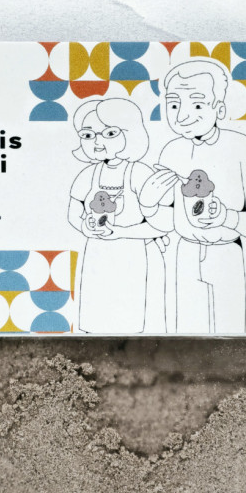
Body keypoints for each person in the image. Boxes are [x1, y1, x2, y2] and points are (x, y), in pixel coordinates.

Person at [140, 59, 246, 333]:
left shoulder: (244, 148)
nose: (182, 116)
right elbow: (168, 221)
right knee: (183, 334)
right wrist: (148, 205)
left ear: (219, 109)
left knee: (231, 334)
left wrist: (227, 217)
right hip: (184, 254)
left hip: (226, 254)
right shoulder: (170, 151)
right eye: (173, 105)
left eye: (197, 105)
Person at [68, 97, 166, 334]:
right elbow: (74, 211)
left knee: (131, 319)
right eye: (88, 135)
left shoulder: (139, 172)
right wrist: (84, 226)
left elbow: (161, 224)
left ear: (130, 133)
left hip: (134, 254)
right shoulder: (88, 174)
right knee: (96, 317)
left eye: (109, 133)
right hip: (97, 254)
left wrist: (121, 232)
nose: (97, 142)